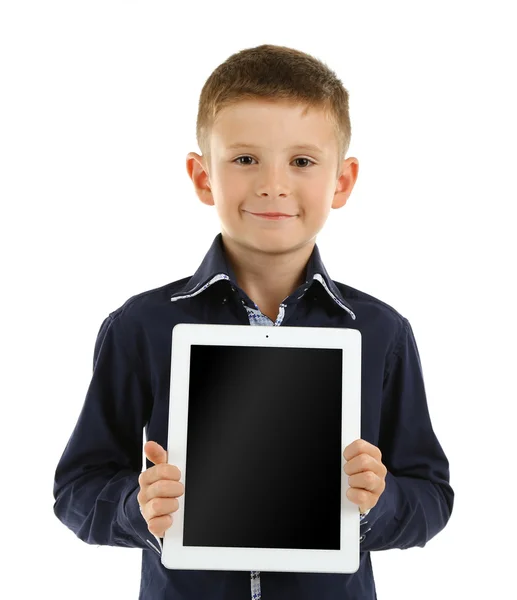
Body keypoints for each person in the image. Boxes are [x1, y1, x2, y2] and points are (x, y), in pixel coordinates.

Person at [53, 44, 454, 600]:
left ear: (341, 181)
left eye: (302, 161)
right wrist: (136, 505)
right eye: (244, 160)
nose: (273, 185)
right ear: (202, 176)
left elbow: (432, 497)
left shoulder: (381, 333)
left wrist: (378, 502)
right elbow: (77, 489)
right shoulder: (141, 326)